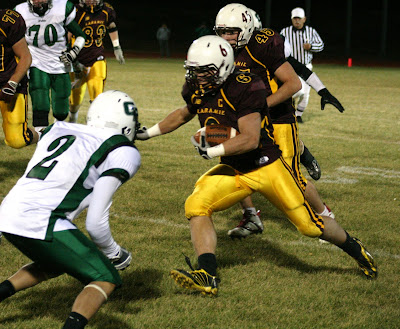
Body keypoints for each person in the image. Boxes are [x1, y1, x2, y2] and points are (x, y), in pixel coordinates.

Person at [136, 35, 377, 296]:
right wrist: (147, 133)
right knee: (196, 205)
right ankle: (207, 274)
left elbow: (250, 139)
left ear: (224, 67)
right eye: (193, 71)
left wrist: (213, 148)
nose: (198, 77)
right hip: (235, 168)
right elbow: (185, 112)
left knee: (309, 226)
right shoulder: (197, 87)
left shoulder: (245, 86)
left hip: (266, 166)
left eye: (204, 71)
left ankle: (356, 249)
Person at [0, 90, 141, 328]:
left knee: (55, 264)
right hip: (43, 219)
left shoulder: (59, 128)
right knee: (105, 277)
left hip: (7, 212)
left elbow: (28, 135)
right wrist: (113, 252)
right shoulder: (123, 151)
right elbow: (95, 222)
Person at [214, 4, 333, 238]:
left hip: (277, 118)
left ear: (246, 29)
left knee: (291, 178)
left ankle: (325, 215)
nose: (226, 37)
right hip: (246, 118)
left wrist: (260, 106)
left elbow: (294, 83)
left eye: (232, 32)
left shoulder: (264, 45)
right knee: (231, 166)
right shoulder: (222, 50)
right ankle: (251, 216)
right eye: (222, 31)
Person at [15, 0, 86, 131]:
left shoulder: (62, 8)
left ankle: (58, 129)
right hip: (36, 60)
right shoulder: (21, 11)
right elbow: (14, 37)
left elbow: (81, 35)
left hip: (60, 61)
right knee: (39, 93)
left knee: (61, 107)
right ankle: (40, 133)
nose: (37, 1)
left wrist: (73, 52)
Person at [68, 0, 125, 123]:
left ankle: (95, 124)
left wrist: (116, 46)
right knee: (74, 100)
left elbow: (111, 26)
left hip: (96, 57)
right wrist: (72, 60)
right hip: (78, 59)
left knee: (97, 95)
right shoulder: (75, 11)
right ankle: (73, 118)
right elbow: (67, 36)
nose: (91, 1)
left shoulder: (107, 10)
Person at [0, 9, 39, 149]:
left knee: (17, 140)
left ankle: (43, 135)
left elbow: (25, 56)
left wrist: (12, 83)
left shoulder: (6, 21)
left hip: (8, 82)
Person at [280, 7, 324, 122]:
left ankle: (298, 114)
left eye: (299, 19)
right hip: (290, 67)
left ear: (304, 19)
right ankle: (287, 107)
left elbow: (321, 45)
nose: (297, 21)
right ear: (291, 19)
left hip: (306, 66)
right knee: (298, 91)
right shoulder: (285, 32)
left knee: (305, 94)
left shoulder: (311, 31)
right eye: (295, 18)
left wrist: (311, 47)